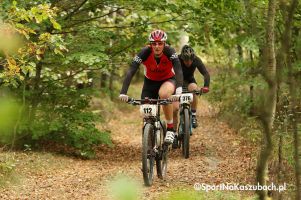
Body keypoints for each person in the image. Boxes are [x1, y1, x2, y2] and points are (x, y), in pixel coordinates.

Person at [119, 30, 183, 144]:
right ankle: (148, 140)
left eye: (160, 43)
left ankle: (170, 129)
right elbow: (131, 71)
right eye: (154, 43)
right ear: (150, 44)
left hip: (168, 80)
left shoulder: (170, 51)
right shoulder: (144, 52)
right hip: (150, 83)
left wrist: (178, 90)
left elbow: (178, 70)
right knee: (146, 112)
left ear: (164, 44)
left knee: (164, 95)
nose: (157, 46)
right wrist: (123, 92)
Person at [172, 45, 210, 147]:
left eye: (190, 61)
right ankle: (174, 134)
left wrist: (206, 86)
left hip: (189, 81)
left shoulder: (196, 60)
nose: (188, 63)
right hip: (177, 82)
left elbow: (205, 73)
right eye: (186, 61)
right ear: (182, 58)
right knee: (175, 110)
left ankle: (193, 115)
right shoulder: (177, 59)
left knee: (194, 88)